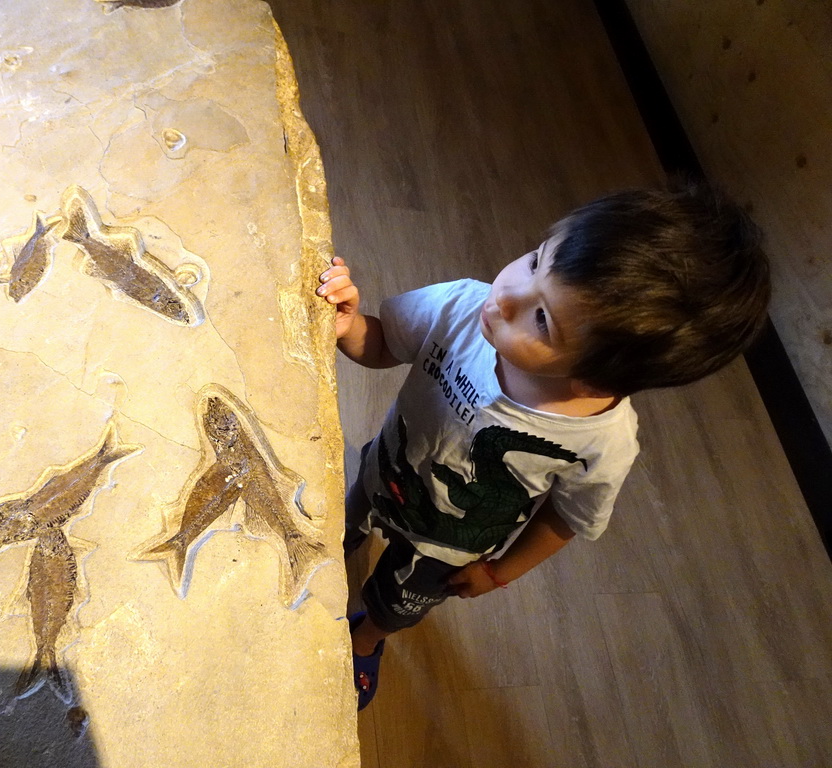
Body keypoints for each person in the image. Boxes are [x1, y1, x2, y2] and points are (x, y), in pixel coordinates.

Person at [315, 183, 771, 710]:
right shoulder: (461, 306)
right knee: (336, 528)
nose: (505, 295)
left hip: (445, 548)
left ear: (598, 380)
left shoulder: (602, 443)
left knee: (394, 606)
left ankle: (366, 639)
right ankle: (331, 555)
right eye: (535, 262)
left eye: (541, 320)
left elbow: (567, 518)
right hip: (381, 472)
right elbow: (381, 344)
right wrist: (348, 326)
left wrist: (497, 572)